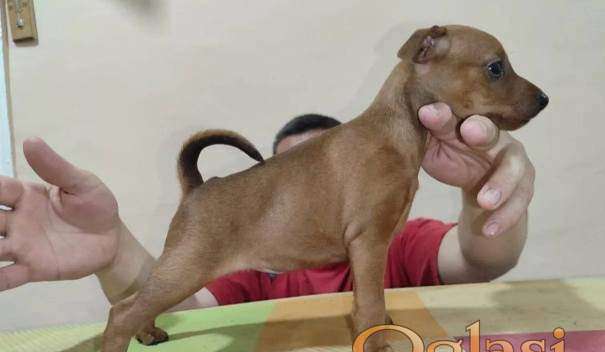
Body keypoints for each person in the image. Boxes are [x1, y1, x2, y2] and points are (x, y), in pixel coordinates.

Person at [0, 103, 535, 311]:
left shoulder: (397, 241)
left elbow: (482, 259)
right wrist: (112, 250)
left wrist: (484, 192)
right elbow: (182, 308)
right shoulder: (261, 261)